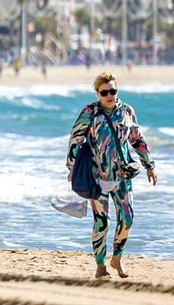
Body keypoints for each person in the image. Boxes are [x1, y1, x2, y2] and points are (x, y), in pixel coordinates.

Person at [66, 72, 158, 280]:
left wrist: (149, 165)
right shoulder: (90, 112)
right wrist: (71, 167)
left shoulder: (127, 111)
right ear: (98, 93)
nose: (109, 95)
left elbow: (137, 140)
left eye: (113, 91)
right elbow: (75, 139)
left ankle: (117, 257)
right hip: (97, 176)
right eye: (104, 92)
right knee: (101, 222)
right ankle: (100, 265)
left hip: (122, 176)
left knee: (127, 219)